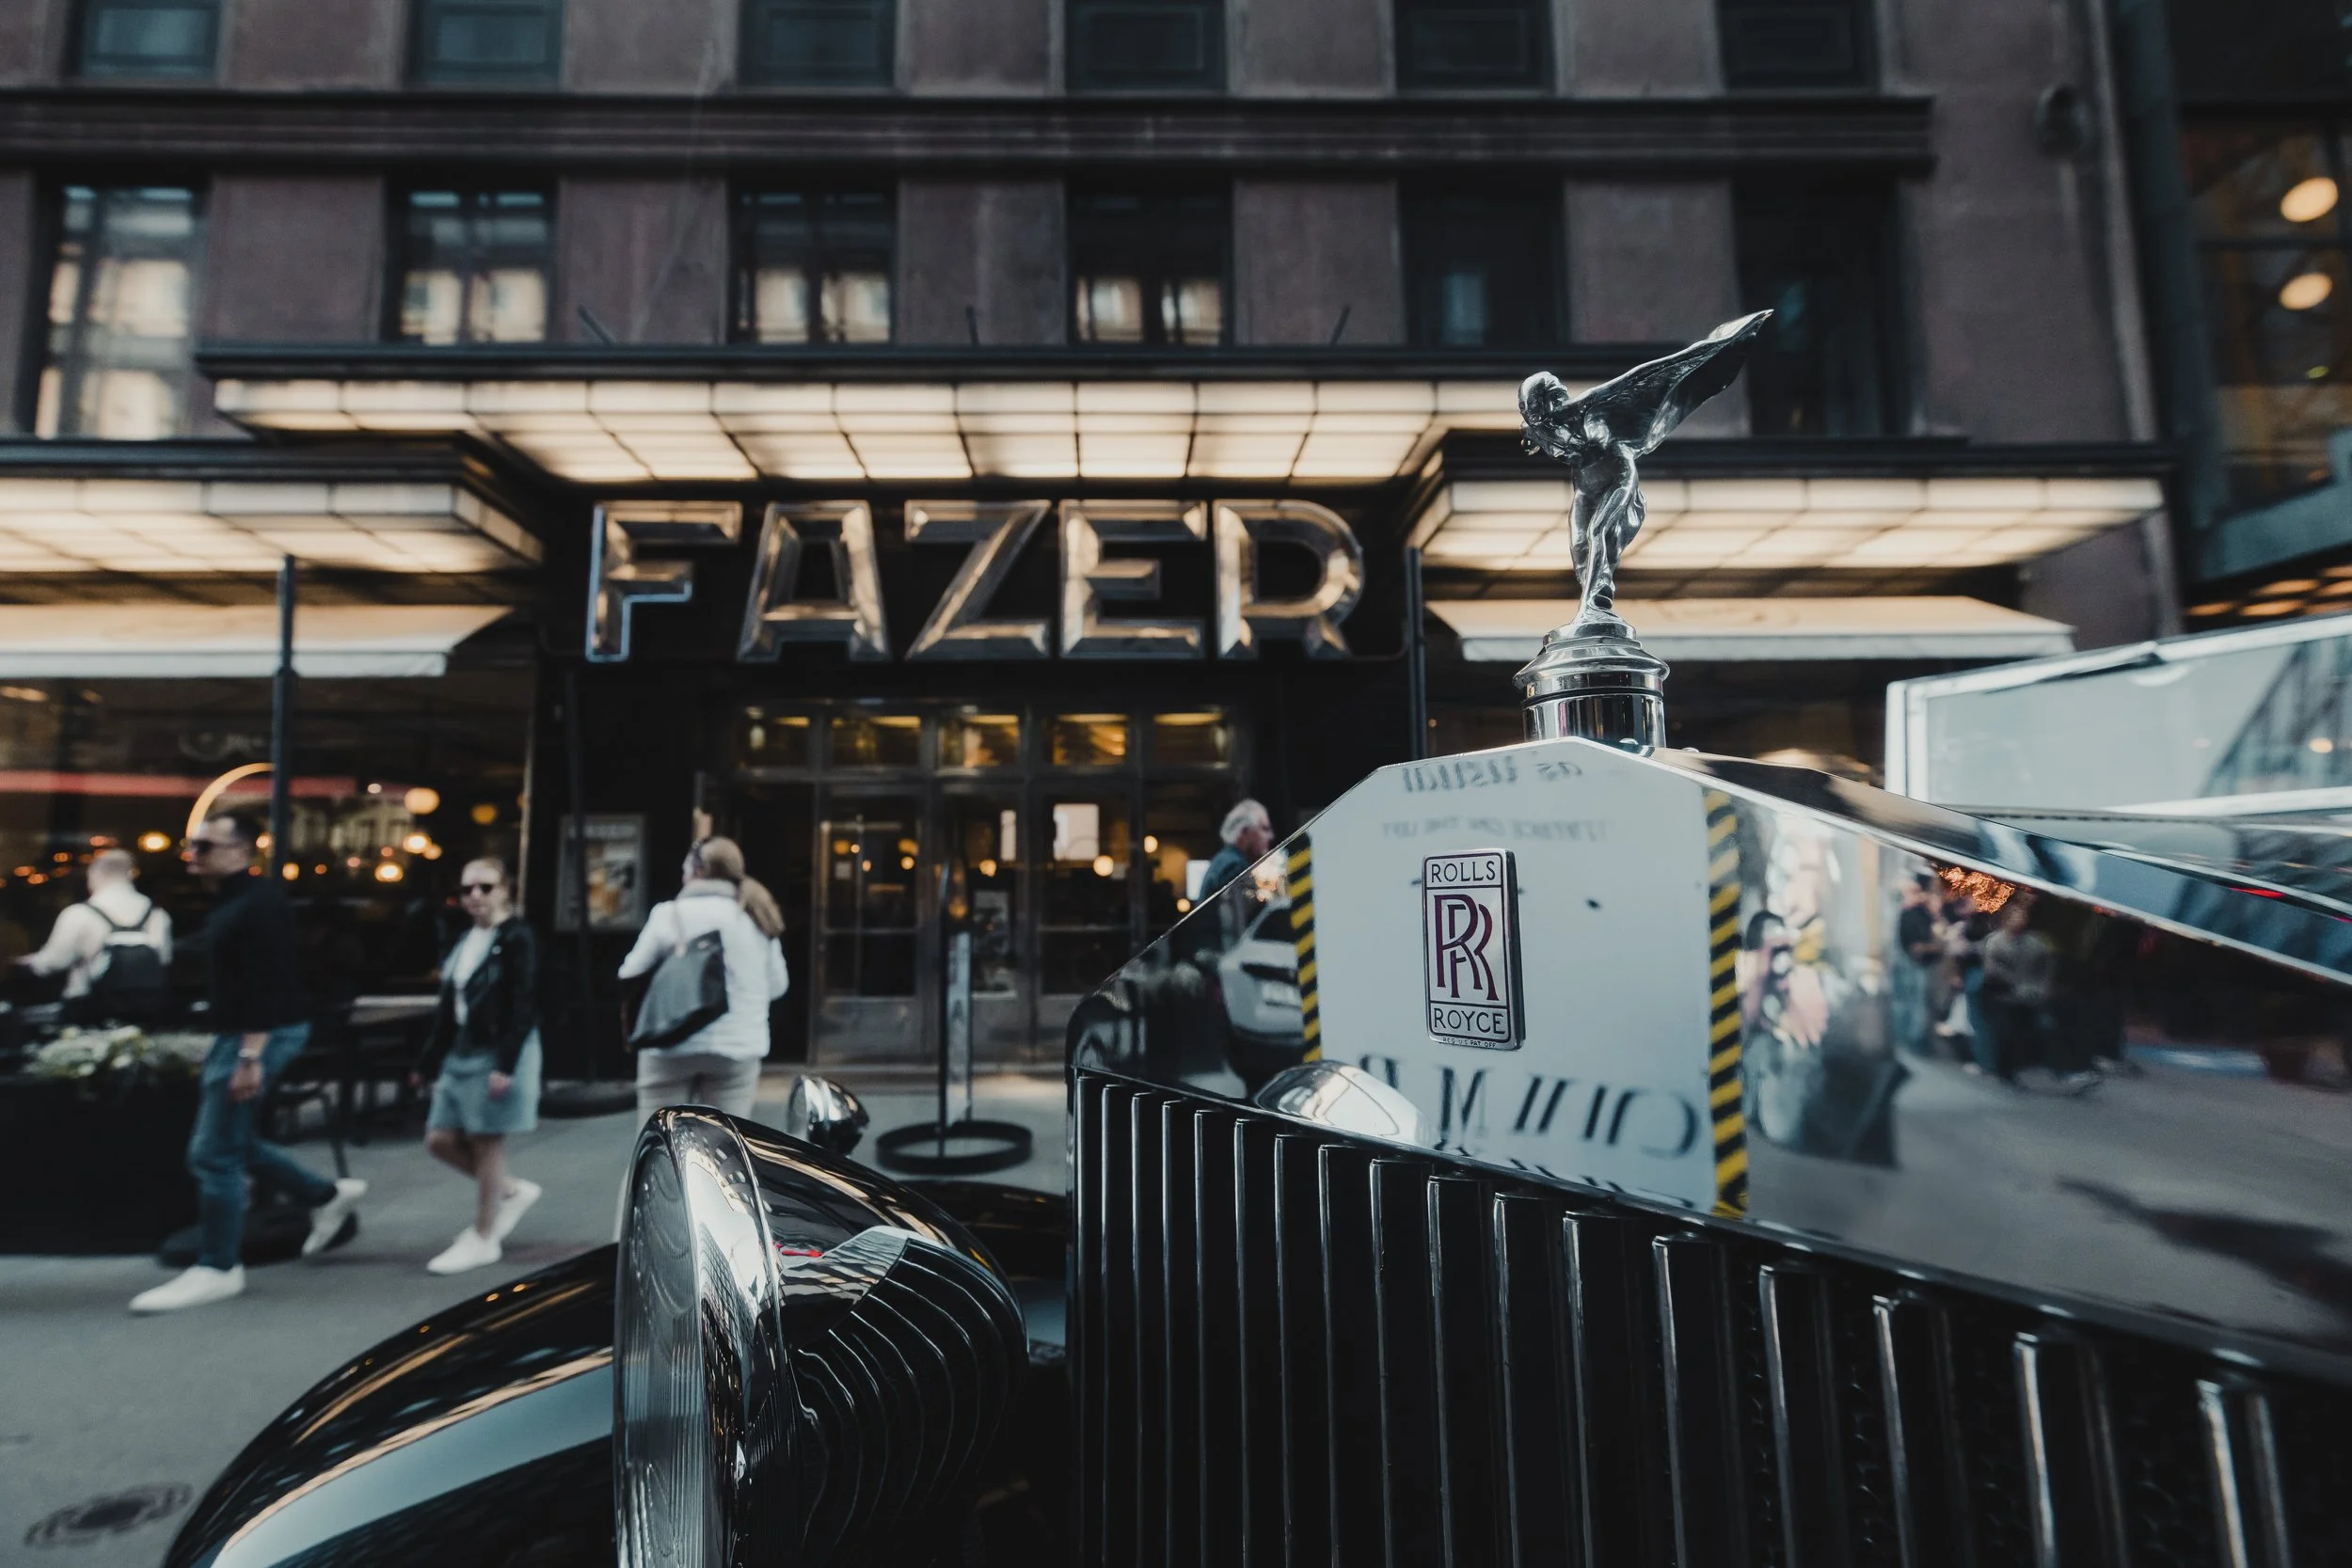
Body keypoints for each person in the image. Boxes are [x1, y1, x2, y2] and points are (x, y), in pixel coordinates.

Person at [132, 813, 365, 1314]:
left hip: (259, 1033)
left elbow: (264, 984)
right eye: (191, 845)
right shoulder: (233, 902)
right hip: (240, 1033)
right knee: (227, 1142)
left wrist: (249, 1056)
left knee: (213, 1154)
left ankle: (219, 1266)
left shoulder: (260, 905)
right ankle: (323, 1195)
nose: (193, 854)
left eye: (205, 846)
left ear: (241, 850)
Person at [414, 858, 544, 1275]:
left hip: (497, 1051)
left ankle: (484, 1236)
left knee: (487, 1141)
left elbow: (525, 1003)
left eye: (485, 888)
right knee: (439, 1139)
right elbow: (450, 1008)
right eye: (468, 889)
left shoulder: (518, 937)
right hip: (461, 1052)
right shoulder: (464, 937)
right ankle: (509, 1191)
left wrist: (505, 1062)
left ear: (506, 890)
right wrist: (428, 1060)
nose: (475, 897)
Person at [619, 837, 788, 1122]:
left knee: (658, 1145)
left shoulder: (668, 914)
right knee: (725, 1147)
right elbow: (777, 986)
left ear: (697, 871)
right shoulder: (756, 916)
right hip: (738, 1045)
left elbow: (629, 972)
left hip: (670, 1042)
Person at [16, 847, 172, 1026]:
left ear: (96, 874)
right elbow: (164, 959)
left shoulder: (79, 913)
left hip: (88, 1012)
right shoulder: (158, 915)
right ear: (130, 875)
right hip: (144, 1014)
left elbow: (54, 963)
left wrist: (31, 963)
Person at [1198, 800, 1273, 904]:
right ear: (1245, 832)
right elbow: (1240, 918)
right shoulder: (1234, 866)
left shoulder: (1224, 860)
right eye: (1264, 829)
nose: (1270, 837)